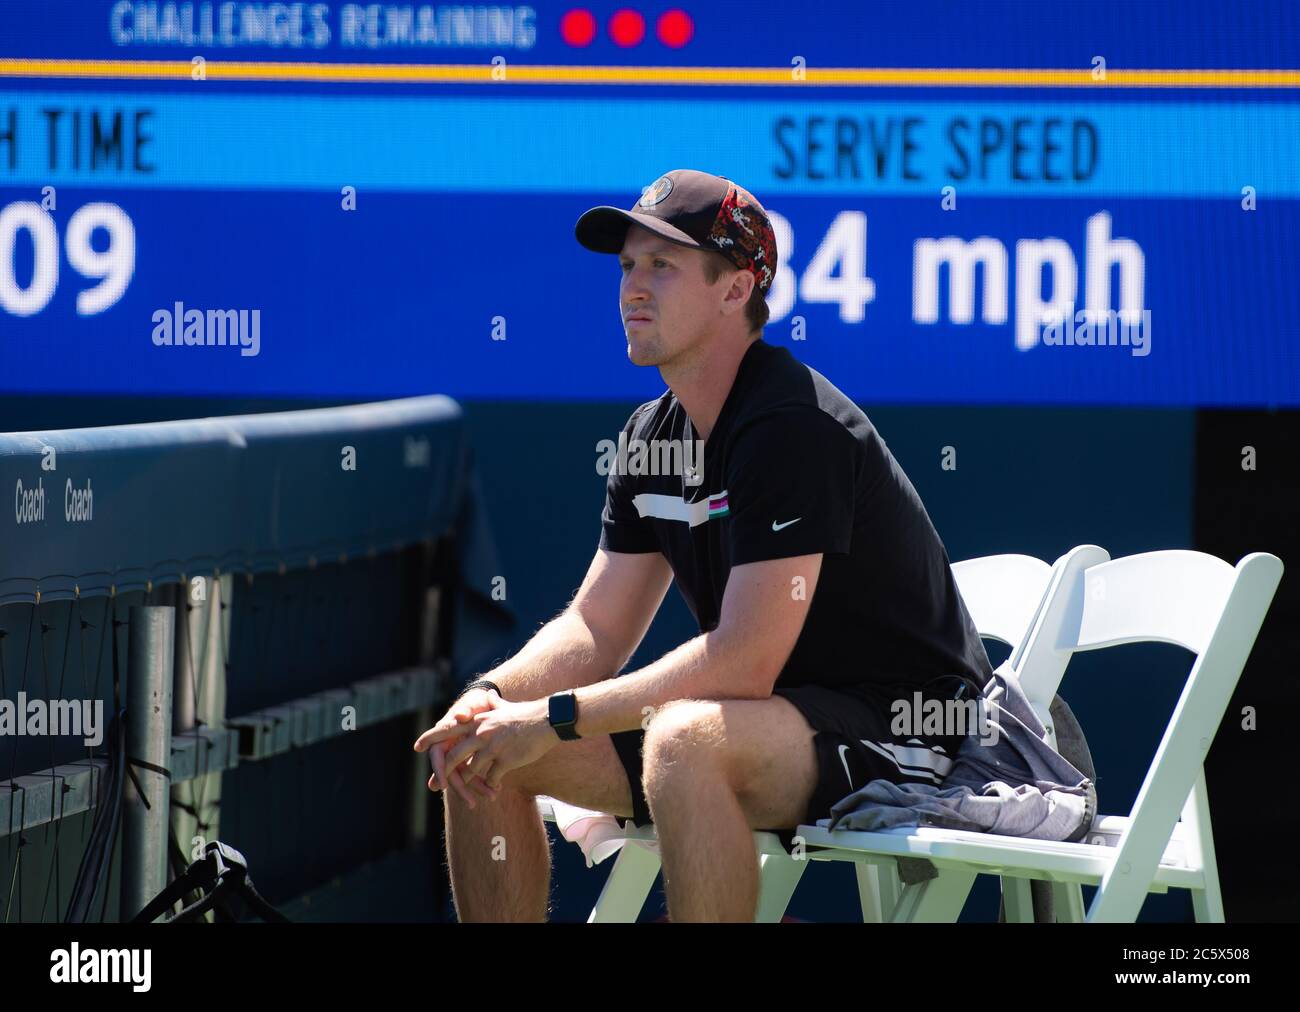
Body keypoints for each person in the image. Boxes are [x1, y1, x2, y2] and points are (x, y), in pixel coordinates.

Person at [414, 168, 992, 922]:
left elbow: (743, 663)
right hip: (776, 719)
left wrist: (552, 716)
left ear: (735, 289)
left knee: (684, 743)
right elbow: (596, 628)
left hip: (917, 731)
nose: (632, 288)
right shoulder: (651, 436)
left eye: (663, 264)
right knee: (480, 749)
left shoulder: (791, 426)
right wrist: (497, 698)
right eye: (627, 265)